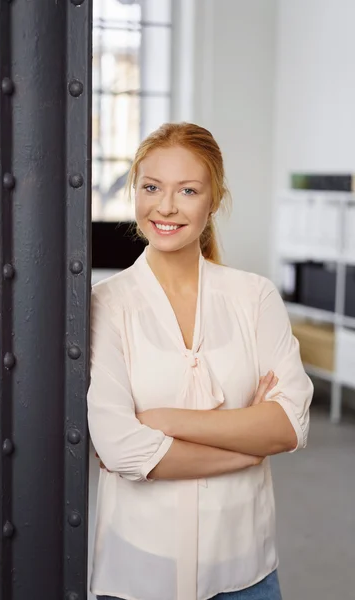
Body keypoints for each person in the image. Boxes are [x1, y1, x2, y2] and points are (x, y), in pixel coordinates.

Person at [87, 122, 313, 600]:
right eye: (151, 187)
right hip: (138, 573)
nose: (165, 207)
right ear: (135, 192)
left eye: (187, 190)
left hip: (245, 572)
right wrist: (248, 446)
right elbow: (121, 449)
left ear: (214, 201)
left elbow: (290, 424)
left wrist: (163, 421)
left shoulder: (254, 297)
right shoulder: (105, 304)